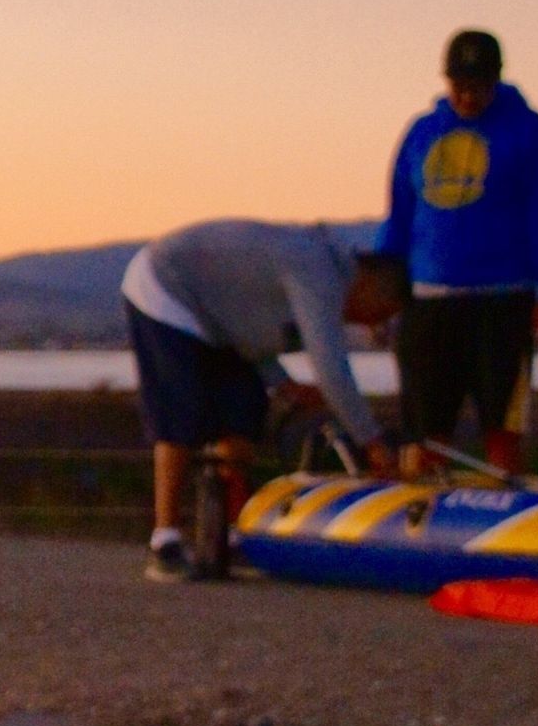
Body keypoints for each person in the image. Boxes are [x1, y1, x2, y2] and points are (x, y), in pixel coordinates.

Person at [118, 220, 383, 579]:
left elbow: (249, 334)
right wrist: (372, 440)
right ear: (372, 285)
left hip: (217, 319)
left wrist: (282, 383)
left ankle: (228, 532)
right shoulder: (318, 274)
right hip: (165, 287)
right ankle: (165, 540)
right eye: (381, 312)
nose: (371, 326)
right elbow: (330, 368)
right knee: (179, 413)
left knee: (244, 407)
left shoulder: (317, 270)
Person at [366, 29, 538, 478]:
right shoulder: (421, 134)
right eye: (458, 84)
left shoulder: (531, 133)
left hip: (506, 302)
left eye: (477, 85)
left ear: (496, 80)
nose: (466, 95)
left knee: (503, 425)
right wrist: (381, 296)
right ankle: (418, 521)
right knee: (425, 428)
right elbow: (398, 217)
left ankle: (508, 508)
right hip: (429, 303)